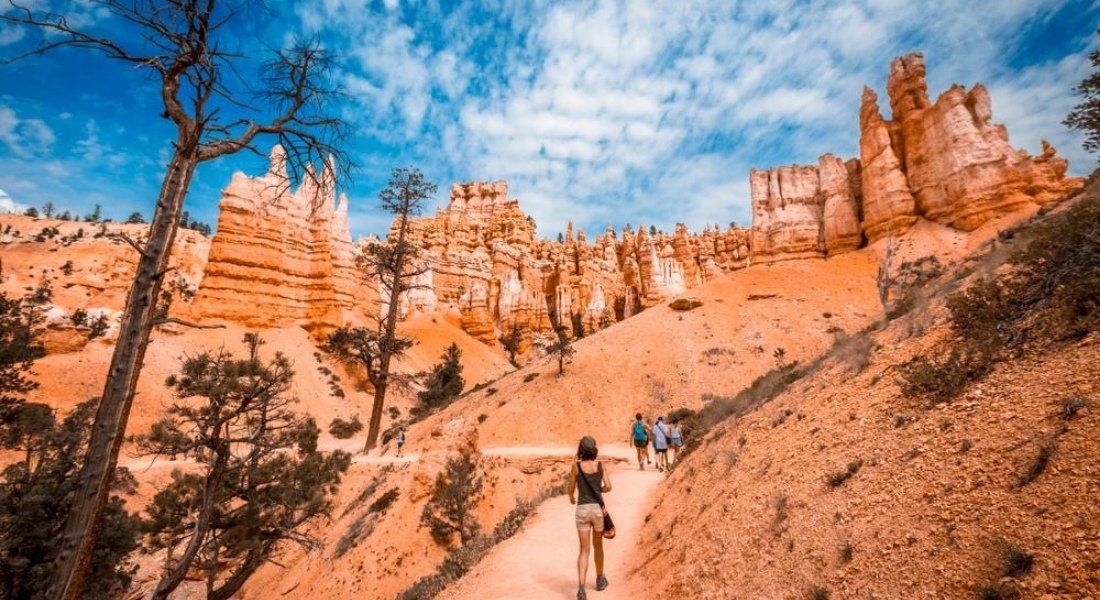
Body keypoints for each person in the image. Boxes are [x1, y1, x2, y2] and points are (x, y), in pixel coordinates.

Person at [568, 436, 612, 600]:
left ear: (581, 449)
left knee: (584, 551)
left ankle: (581, 589)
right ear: (594, 449)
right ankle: (600, 579)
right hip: (597, 510)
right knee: (598, 547)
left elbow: (571, 489)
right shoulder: (600, 465)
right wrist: (599, 490)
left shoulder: (576, 467)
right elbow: (608, 486)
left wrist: (571, 497)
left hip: (582, 510)